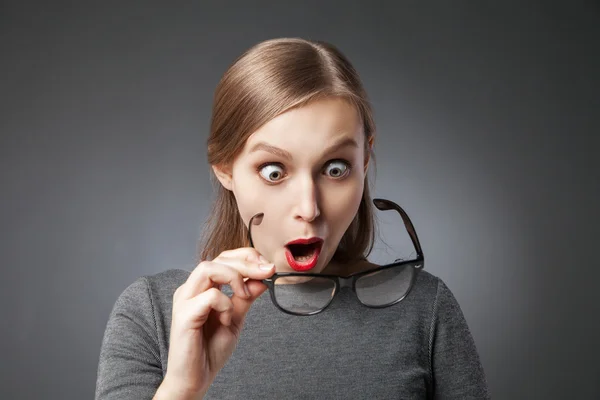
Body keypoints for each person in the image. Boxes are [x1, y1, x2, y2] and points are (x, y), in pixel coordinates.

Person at [95, 37, 490, 399]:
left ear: (364, 161)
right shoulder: (156, 314)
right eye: (274, 171)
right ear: (225, 168)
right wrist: (183, 386)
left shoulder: (425, 309)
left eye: (335, 168)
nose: (309, 208)